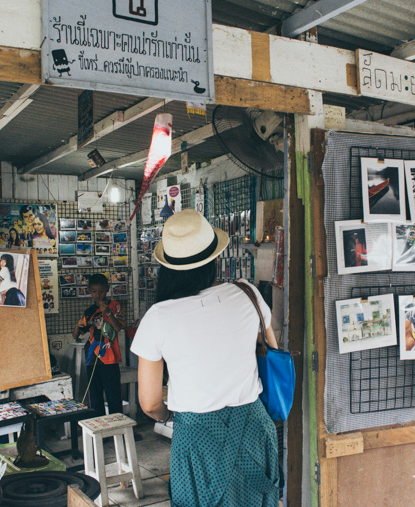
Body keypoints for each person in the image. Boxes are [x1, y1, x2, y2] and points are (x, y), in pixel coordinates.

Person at [131, 209, 282, 507]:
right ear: (213, 259)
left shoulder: (158, 317)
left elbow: (148, 403)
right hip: (253, 427)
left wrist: (168, 417)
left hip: (197, 438)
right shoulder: (246, 293)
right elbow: (272, 354)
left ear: (168, 267)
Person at [73, 273, 124, 416]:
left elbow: (118, 328)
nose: (98, 295)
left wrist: (107, 312)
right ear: (89, 291)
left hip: (110, 358)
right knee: (94, 396)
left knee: (113, 394)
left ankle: (117, 430)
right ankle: (100, 431)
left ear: (107, 289)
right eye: (94, 292)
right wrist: (77, 325)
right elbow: (76, 335)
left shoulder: (115, 306)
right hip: (92, 358)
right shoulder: (89, 311)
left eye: (101, 291)